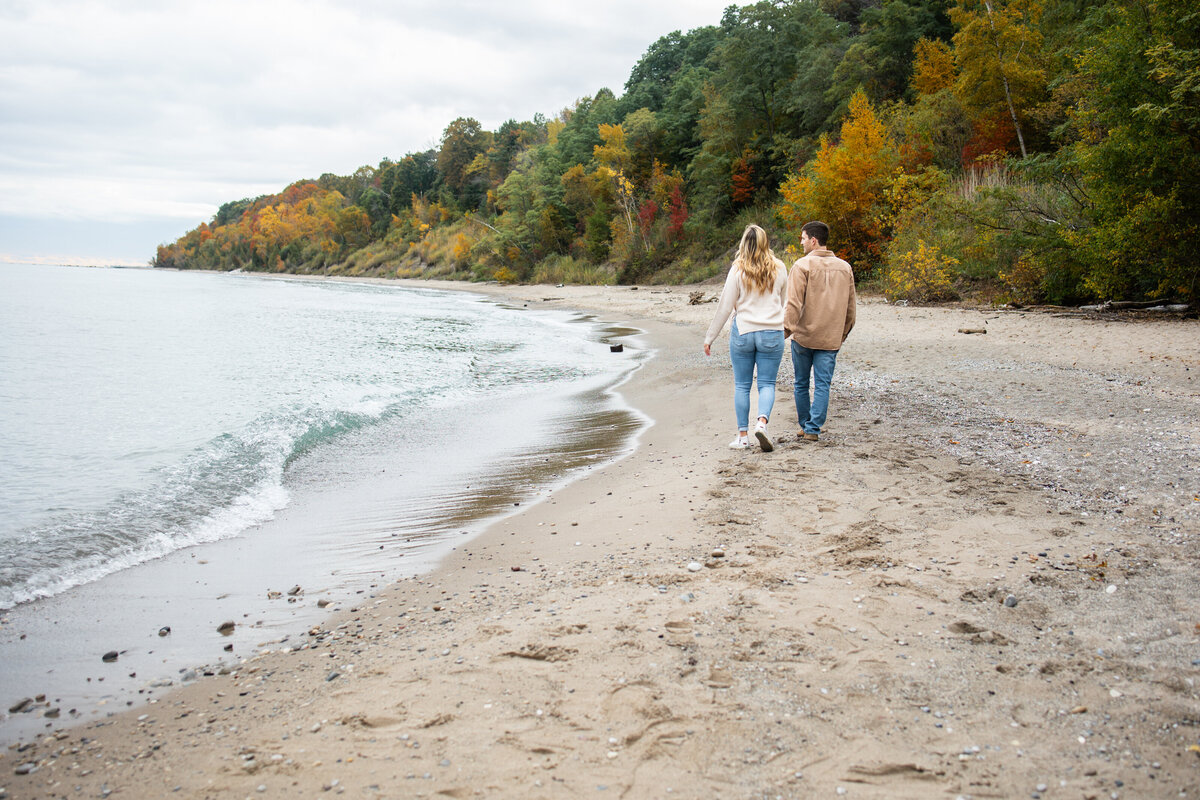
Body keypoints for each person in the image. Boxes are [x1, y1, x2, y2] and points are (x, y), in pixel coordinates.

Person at [704, 224, 788, 452]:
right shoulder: (780, 267)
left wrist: (710, 337)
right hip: (772, 332)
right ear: (765, 242)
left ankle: (742, 437)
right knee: (767, 383)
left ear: (743, 244)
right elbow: (784, 302)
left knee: (742, 385)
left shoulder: (737, 269)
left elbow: (725, 306)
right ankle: (761, 423)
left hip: (743, 332)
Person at [784, 221, 856, 442]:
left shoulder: (802, 266)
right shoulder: (845, 268)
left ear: (813, 240)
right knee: (823, 384)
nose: (801, 242)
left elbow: (793, 304)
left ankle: (806, 424)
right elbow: (851, 309)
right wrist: (841, 334)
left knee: (801, 383)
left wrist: (785, 331)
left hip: (804, 336)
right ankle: (813, 429)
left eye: (803, 238)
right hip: (830, 338)